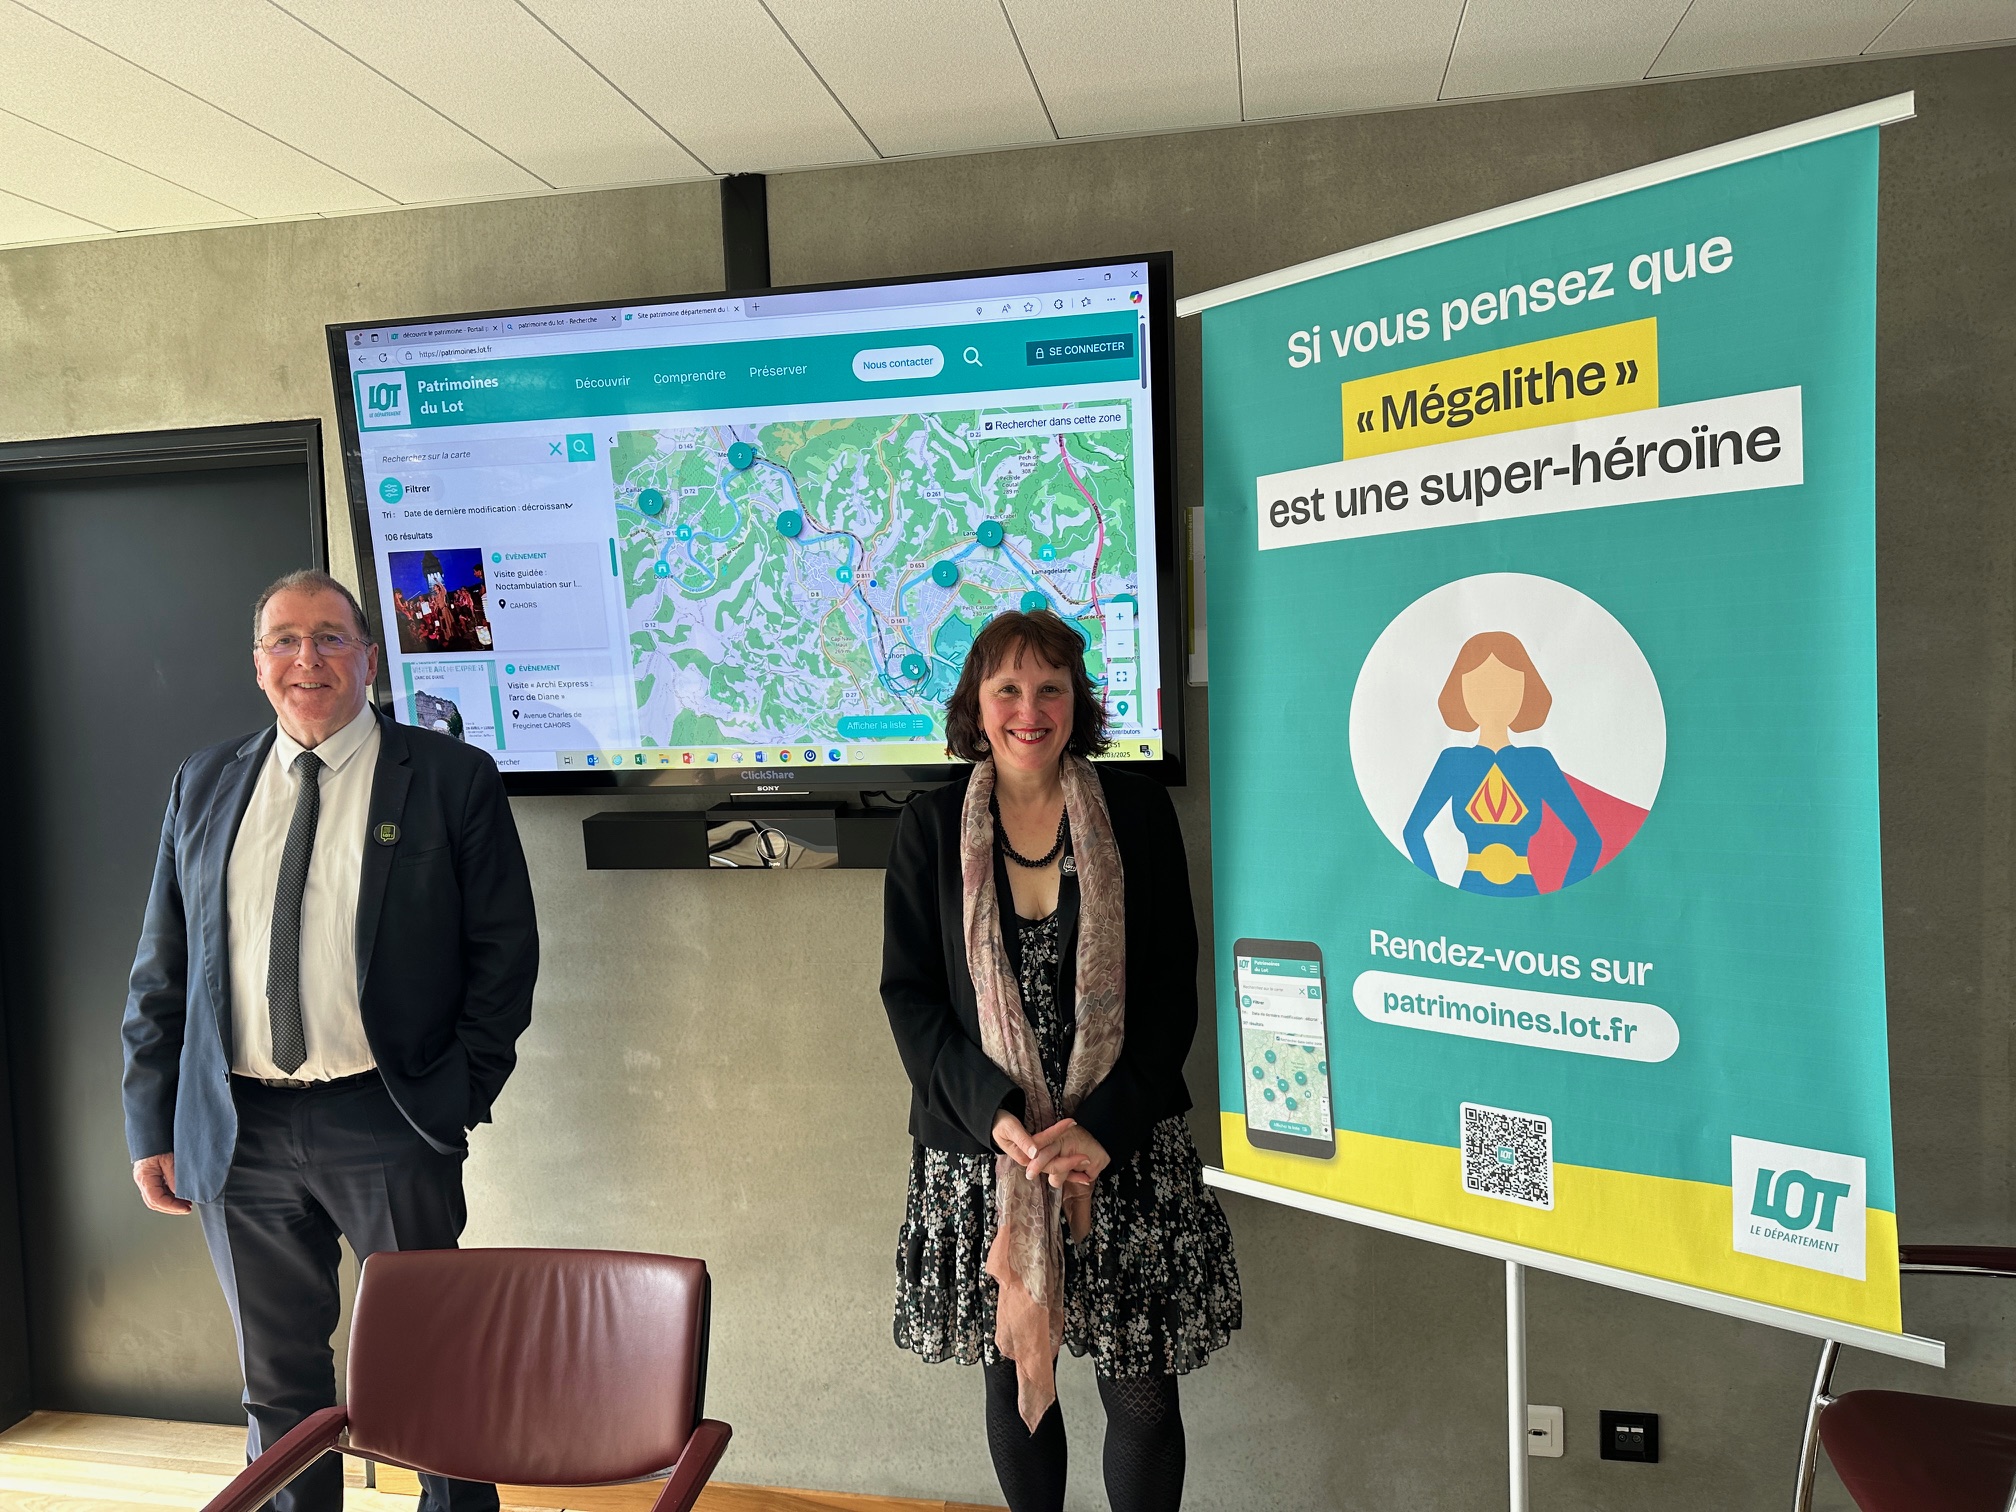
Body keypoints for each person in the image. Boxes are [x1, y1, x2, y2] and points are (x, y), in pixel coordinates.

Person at [120, 568, 539, 1512]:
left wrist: (457, 1092)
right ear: (258, 663)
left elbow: (504, 953)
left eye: (329, 638)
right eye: (284, 640)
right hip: (238, 1130)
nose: (306, 659)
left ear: (369, 659)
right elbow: (162, 969)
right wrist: (153, 1122)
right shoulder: (204, 782)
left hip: (388, 1118)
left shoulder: (449, 777)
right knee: (277, 1386)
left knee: (432, 1363)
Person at [881, 609, 1239, 1512]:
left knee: (1143, 1397)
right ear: (976, 704)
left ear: (1078, 700)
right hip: (988, 1156)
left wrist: (1102, 1128)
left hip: (1121, 1147)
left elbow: (1171, 992)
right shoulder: (929, 825)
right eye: (1007, 689)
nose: (1029, 710)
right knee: (1017, 1384)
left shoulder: (1136, 813)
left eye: (1051, 688)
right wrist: (994, 1114)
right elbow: (910, 997)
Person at [1401, 630, 1601, 895]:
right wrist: (1438, 894)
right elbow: (1412, 833)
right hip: (1470, 891)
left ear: (1526, 691)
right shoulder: (1453, 762)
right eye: (1479, 686)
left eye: (1507, 685)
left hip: (1525, 893)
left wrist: (1565, 898)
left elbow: (1589, 839)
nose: (1492, 697)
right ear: (1460, 691)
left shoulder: (1537, 763)